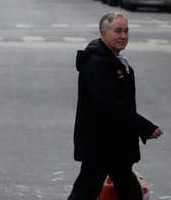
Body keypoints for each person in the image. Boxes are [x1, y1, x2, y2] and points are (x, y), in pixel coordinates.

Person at [69, 12, 162, 200]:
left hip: (113, 142)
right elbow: (110, 104)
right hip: (101, 143)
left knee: (127, 190)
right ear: (103, 33)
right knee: (86, 191)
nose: (123, 36)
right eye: (118, 31)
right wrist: (144, 126)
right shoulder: (97, 62)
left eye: (126, 31)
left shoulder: (113, 60)